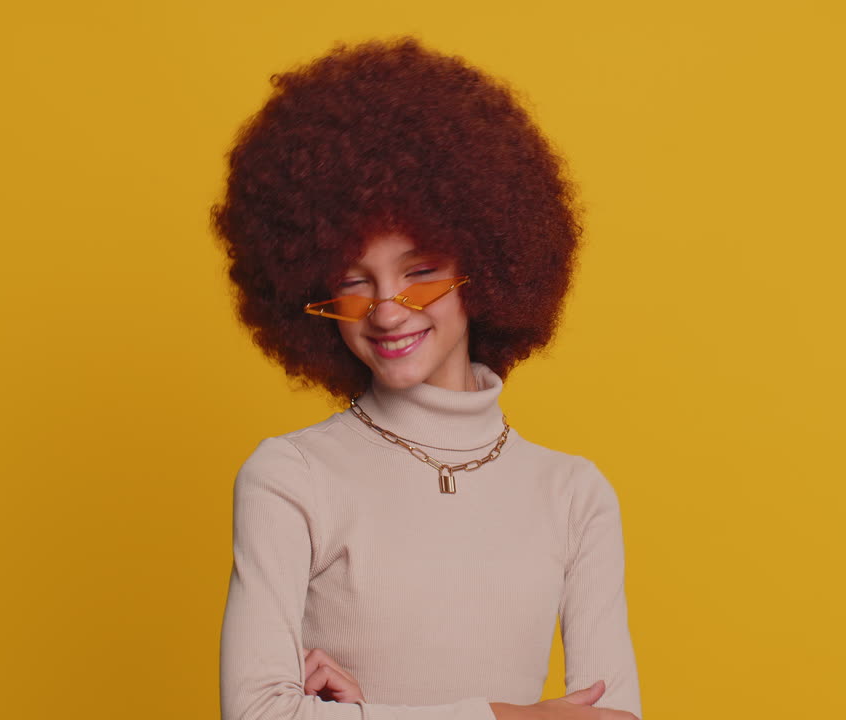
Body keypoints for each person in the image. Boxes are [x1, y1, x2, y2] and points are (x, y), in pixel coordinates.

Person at [212, 36, 641, 720]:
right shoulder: (291, 476)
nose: (386, 310)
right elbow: (258, 715)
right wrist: (508, 718)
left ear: (488, 264)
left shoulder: (574, 496)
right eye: (354, 282)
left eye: (419, 274)